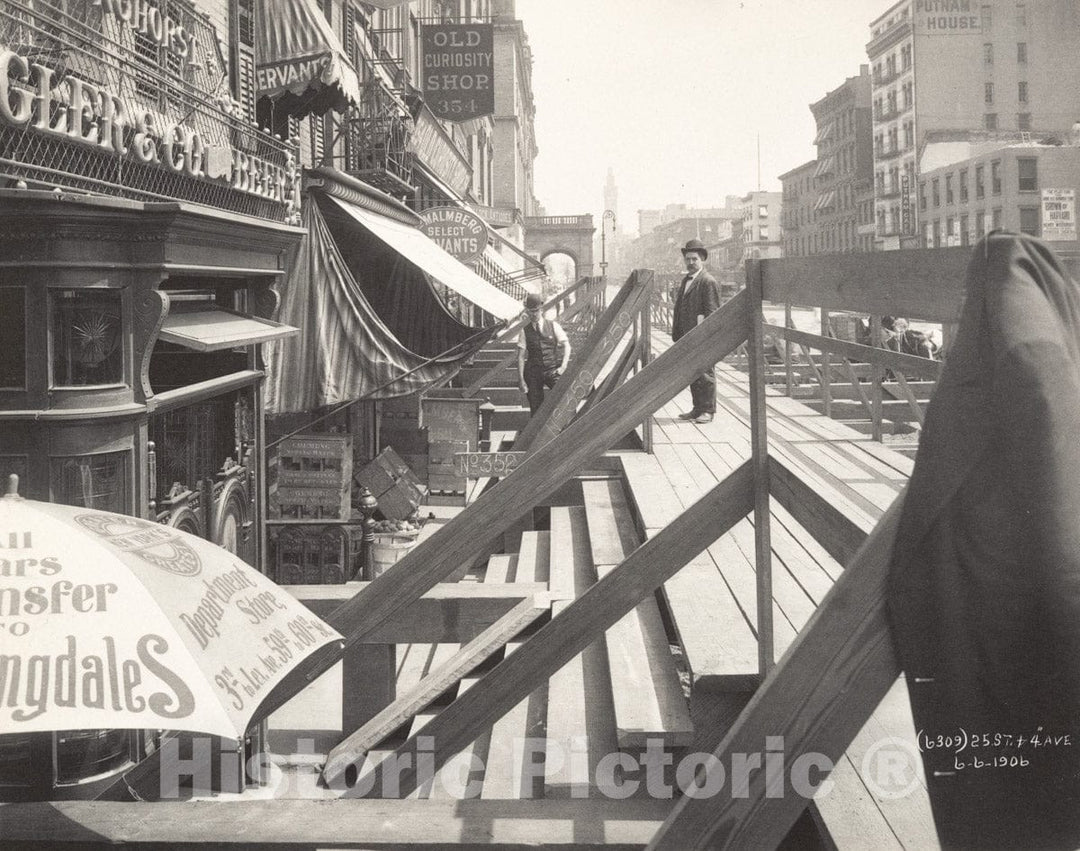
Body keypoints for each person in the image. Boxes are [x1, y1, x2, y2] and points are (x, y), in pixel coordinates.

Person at [671, 238, 721, 424]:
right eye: (688, 259)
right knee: (693, 372)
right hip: (687, 335)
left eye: (694, 259)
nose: (691, 263)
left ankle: (708, 410)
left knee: (706, 373)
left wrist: (707, 337)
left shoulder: (707, 281)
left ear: (702, 260)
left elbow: (713, 313)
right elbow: (679, 307)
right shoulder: (686, 280)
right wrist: (677, 332)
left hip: (702, 336)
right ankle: (697, 408)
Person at [517, 291, 570, 416]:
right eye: (530, 311)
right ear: (527, 311)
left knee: (563, 397)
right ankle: (537, 433)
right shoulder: (524, 332)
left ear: (541, 309)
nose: (534, 314)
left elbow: (567, 346)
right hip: (533, 373)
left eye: (536, 310)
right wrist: (521, 380)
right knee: (536, 408)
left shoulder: (553, 326)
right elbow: (520, 357)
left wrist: (563, 366)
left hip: (552, 370)